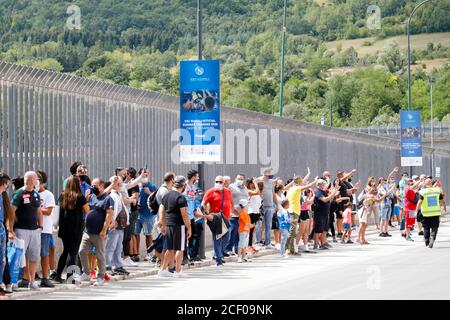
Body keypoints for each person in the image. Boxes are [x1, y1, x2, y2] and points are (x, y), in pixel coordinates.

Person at [78, 178, 114, 286]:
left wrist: (104, 230)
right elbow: (84, 208)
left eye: (95, 186)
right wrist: (86, 197)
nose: (92, 188)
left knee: (100, 255)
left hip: (99, 233)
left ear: (102, 186)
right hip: (88, 231)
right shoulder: (91, 197)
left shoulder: (108, 199)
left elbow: (109, 215)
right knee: (82, 251)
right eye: (92, 185)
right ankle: (86, 272)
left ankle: (100, 277)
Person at [10, 171, 42, 290]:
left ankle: (32, 281)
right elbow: (12, 212)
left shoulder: (36, 194)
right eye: (36, 179)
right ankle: (13, 282)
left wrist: (41, 225)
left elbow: (39, 211)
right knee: (18, 256)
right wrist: (11, 229)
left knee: (33, 257)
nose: (37, 181)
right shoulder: (19, 193)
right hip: (21, 230)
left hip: (34, 230)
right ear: (30, 180)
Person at [55, 176, 89, 283]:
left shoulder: (62, 195)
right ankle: (70, 277)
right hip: (76, 228)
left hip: (64, 228)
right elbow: (87, 211)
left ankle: (58, 275)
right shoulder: (80, 197)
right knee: (72, 253)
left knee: (65, 251)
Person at [158, 176, 191, 278]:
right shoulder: (181, 198)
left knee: (170, 248)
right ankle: (177, 271)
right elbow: (184, 214)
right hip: (178, 225)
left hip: (169, 225)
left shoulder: (167, 196)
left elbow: (162, 210)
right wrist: (189, 227)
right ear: (183, 185)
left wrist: (162, 223)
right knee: (180, 249)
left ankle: (162, 270)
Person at [202, 176, 233, 267]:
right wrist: (208, 214)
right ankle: (219, 259)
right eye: (217, 181)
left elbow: (230, 202)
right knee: (217, 239)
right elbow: (203, 203)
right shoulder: (210, 192)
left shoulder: (227, 191)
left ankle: (217, 254)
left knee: (226, 238)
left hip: (226, 218)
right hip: (216, 218)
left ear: (224, 183)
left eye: (220, 182)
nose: (218, 183)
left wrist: (232, 210)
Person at [285, 175, 317, 254]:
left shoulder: (291, 188)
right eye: (301, 180)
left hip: (291, 211)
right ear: (299, 181)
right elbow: (309, 185)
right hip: (294, 211)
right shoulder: (297, 188)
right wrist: (315, 180)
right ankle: (288, 249)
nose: (303, 181)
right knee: (292, 231)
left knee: (292, 231)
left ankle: (290, 249)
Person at [105, 176, 130, 276]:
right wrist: (111, 222)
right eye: (118, 183)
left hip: (120, 225)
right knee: (111, 246)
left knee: (118, 247)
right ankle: (107, 266)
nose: (120, 185)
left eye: (120, 183)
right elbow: (112, 210)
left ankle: (118, 266)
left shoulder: (118, 194)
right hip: (114, 225)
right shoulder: (111, 195)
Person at [36, 170, 56, 288]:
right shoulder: (30, 193)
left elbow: (48, 211)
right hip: (32, 228)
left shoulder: (48, 195)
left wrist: (36, 208)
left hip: (45, 230)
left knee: (44, 253)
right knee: (31, 254)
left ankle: (45, 277)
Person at [416, 178, 446, 248]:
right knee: (434, 227)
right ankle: (432, 237)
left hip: (425, 213)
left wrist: (416, 211)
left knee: (426, 228)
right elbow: (442, 200)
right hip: (435, 213)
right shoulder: (437, 190)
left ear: (425, 184)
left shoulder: (422, 191)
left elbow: (419, 202)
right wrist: (444, 207)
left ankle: (427, 241)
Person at [135, 169, 158, 262]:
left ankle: (149, 254)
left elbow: (158, 199)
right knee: (136, 234)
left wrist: (149, 193)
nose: (145, 176)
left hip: (148, 215)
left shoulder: (152, 186)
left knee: (148, 234)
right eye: (143, 174)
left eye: (146, 174)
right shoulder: (137, 185)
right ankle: (136, 254)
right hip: (137, 214)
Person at [313, 179, 340, 251]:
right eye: (323, 183)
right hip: (319, 213)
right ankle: (315, 244)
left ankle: (323, 243)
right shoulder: (318, 192)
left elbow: (329, 199)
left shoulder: (323, 191)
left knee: (324, 230)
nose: (325, 185)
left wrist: (335, 190)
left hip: (325, 213)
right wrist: (334, 191)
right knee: (318, 230)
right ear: (319, 184)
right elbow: (325, 199)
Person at [183, 170, 204, 263]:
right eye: (197, 177)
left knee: (192, 237)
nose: (198, 178)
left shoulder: (194, 187)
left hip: (192, 216)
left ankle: (191, 256)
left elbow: (195, 199)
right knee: (184, 238)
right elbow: (183, 199)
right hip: (185, 215)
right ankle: (184, 257)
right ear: (193, 177)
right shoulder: (184, 186)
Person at [226, 174, 248, 256]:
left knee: (240, 233)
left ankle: (237, 249)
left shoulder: (245, 188)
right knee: (233, 231)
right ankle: (228, 248)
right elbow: (227, 198)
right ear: (235, 179)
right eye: (238, 178)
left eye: (241, 179)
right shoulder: (231, 187)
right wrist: (232, 208)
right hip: (233, 213)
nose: (240, 180)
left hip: (242, 215)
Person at [258, 168, 278, 249]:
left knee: (268, 225)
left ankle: (267, 243)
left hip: (270, 206)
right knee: (259, 226)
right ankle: (258, 242)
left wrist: (277, 204)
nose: (271, 175)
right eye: (269, 174)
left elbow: (273, 194)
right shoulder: (259, 181)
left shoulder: (271, 182)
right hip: (261, 206)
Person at [0, 173, 12, 295]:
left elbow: (7, 216)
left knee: (3, 258)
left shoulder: (3, 196)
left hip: (3, 230)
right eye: (7, 184)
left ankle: (4, 283)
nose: (8, 186)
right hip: (1, 230)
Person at [246, 179, 262, 254]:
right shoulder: (248, 191)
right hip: (250, 212)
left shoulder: (254, 190)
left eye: (253, 183)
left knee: (253, 230)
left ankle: (250, 245)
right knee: (249, 230)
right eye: (251, 183)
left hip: (255, 212)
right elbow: (257, 192)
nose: (253, 184)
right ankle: (248, 246)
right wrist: (256, 183)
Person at [297, 189, 314, 253]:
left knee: (306, 231)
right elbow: (308, 202)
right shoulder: (304, 197)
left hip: (307, 212)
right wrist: (313, 196)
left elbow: (310, 203)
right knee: (301, 230)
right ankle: (296, 245)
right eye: (310, 192)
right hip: (302, 212)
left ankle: (305, 245)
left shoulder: (308, 198)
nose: (311, 193)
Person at [237, 199, 253, 263]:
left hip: (246, 230)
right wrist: (252, 225)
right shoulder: (243, 212)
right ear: (245, 205)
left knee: (245, 244)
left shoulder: (244, 212)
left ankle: (244, 257)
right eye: (247, 204)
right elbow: (246, 223)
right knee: (241, 244)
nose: (248, 205)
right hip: (243, 230)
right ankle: (239, 257)